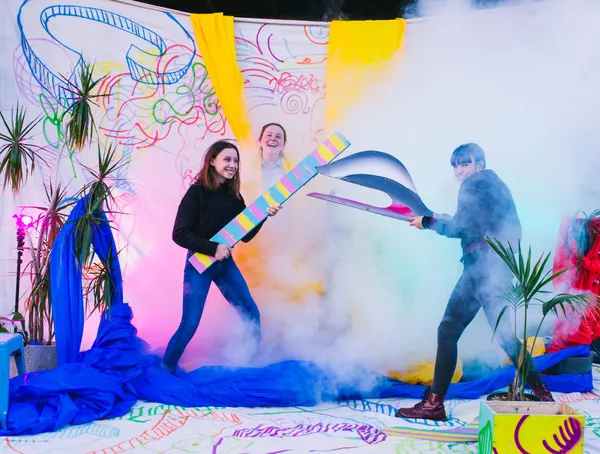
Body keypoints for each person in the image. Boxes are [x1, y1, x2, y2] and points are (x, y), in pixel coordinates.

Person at [395, 143, 554, 421]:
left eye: (465, 163)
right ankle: (543, 395)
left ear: (479, 164)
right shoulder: (496, 186)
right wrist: (439, 219)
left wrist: (428, 223)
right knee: (505, 336)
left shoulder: (474, 183)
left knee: (448, 331)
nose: (459, 170)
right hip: (497, 268)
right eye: (455, 165)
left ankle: (434, 405)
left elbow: (462, 228)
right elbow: (478, 225)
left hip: (482, 269)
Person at [161, 140, 282, 373]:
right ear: (212, 161)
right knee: (189, 325)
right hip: (199, 265)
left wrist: (264, 215)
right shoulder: (196, 192)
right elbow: (179, 234)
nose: (233, 165)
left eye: (235, 160)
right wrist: (213, 248)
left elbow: (246, 235)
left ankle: (250, 363)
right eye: (227, 159)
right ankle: (166, 367)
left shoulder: (233, 196)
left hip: (224, 265)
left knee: (251, 313)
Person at [258, 123, 293, 191]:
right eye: (269, 135)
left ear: (284, 144)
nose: (273, 138)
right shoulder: (245, 166)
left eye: (278, 136)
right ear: (260, 141)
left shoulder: (292, 170)